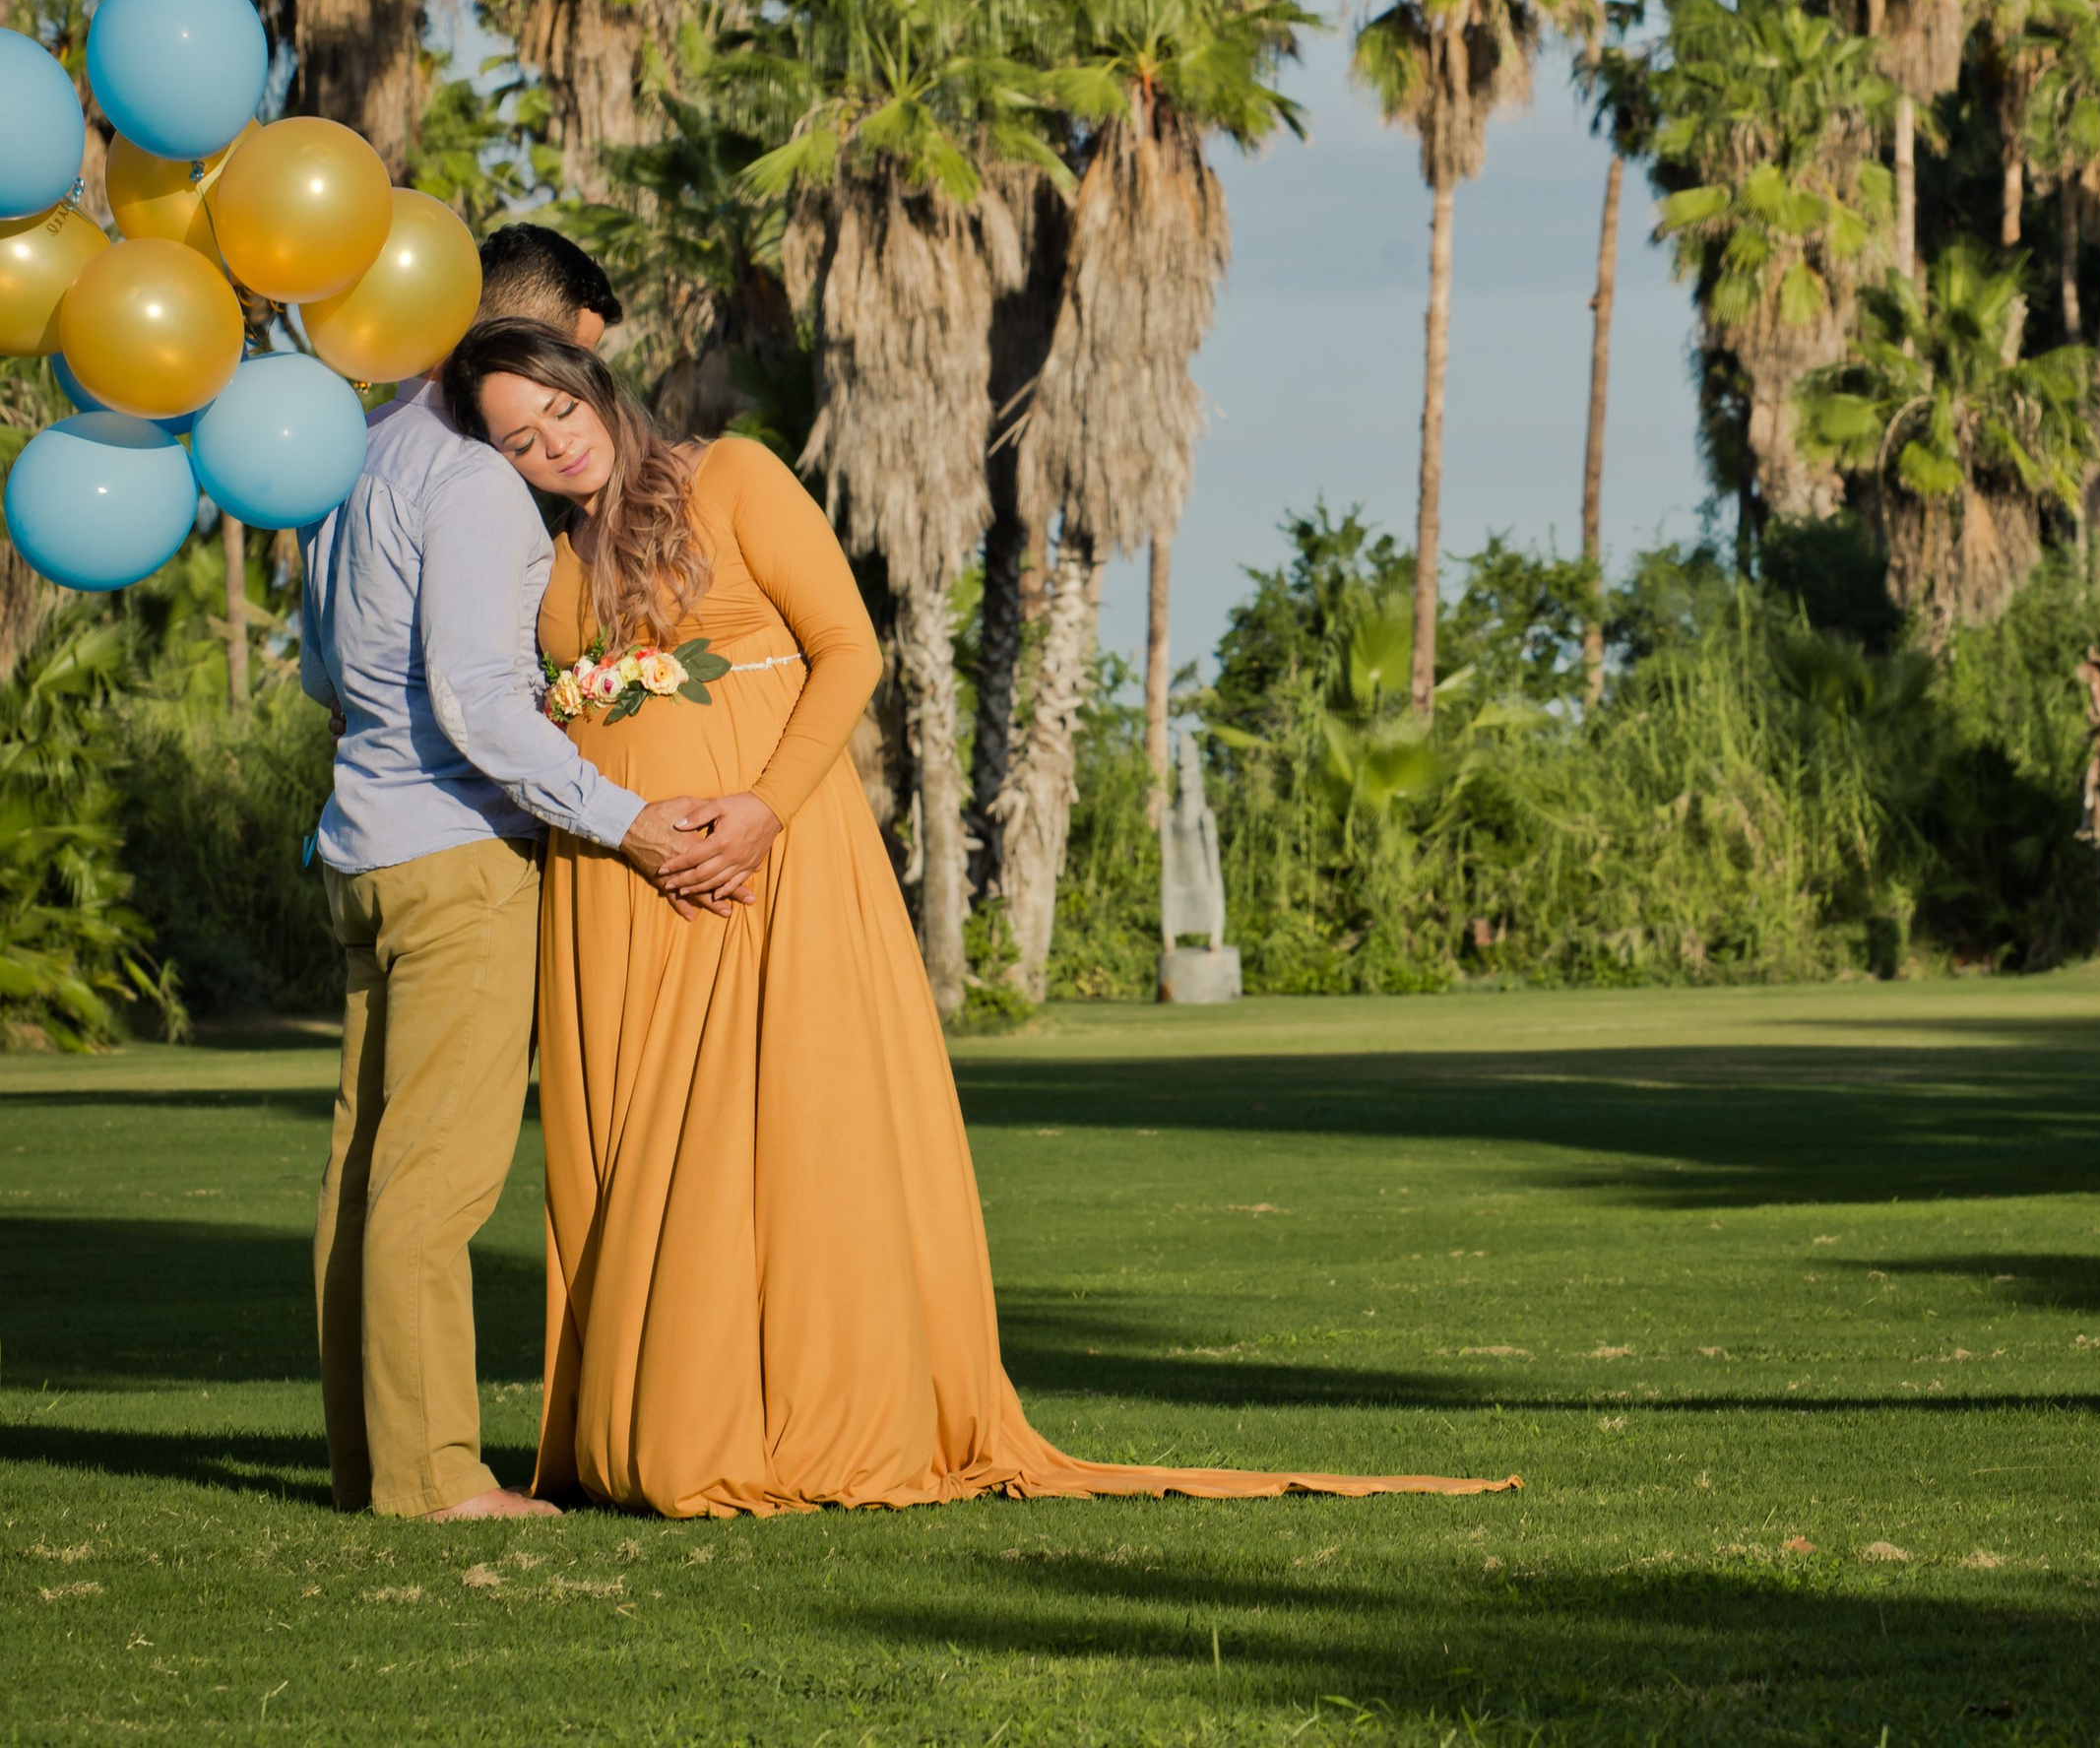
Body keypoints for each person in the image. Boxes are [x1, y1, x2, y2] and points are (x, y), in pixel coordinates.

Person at [439, 317, 1516, 1517]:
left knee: (775, 1127)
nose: (553, 450)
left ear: (598, 390)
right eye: (520, 443)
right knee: (639, 1142)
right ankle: (644, 1416)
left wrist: (760, 812)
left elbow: (849, 650)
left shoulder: (730, 474)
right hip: (617, 894)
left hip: (768, 864)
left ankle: (774, 1417)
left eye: (560, 417)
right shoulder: (547, 561)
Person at [299, 228, 716, 1524]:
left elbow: (321, 674)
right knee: (434, 1179)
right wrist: (624, 820)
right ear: (544, 330)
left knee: (365, 1173)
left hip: (361, 848)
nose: (572, 415)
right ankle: (430, 1482)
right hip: (455, 857)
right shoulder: (477, 480)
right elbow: (477, 702)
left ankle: (372, 1460)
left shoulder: (359, 448)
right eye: (572, 372)